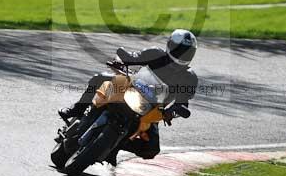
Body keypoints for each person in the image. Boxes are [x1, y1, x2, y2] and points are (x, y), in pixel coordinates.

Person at [58, 29, 199, 161]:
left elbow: (182, 103)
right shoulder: (155, 53)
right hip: (131, 88)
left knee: (151, 149)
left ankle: (115, 144)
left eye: (186, 52)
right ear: (170, 45)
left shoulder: (189, 77)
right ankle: (78, 108)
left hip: (152, 109)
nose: (181, 54)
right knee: (100, 78)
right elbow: (131, 57)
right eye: (178, 49)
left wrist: (172, 112)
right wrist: (121, 60)